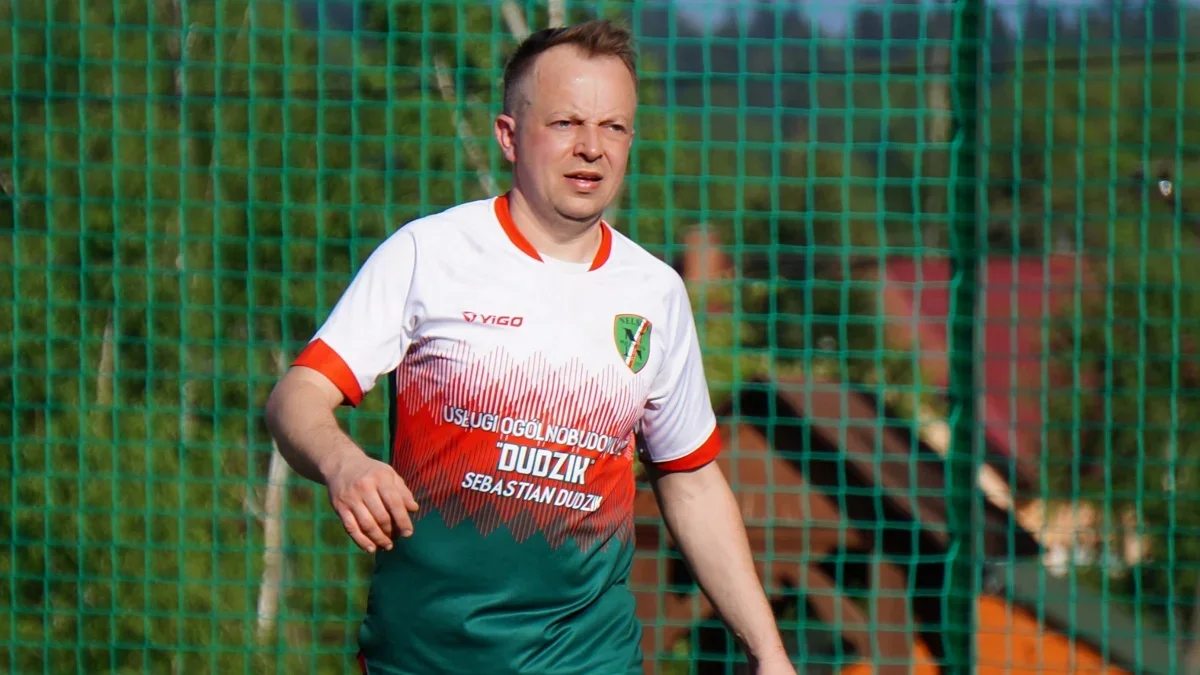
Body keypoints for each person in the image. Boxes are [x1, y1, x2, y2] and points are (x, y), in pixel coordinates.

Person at [264, 18, 796, 675]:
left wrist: (769, 652)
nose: (592, 148)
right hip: (425, 657)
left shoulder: (655, 293)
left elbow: (688, 479)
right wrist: (342, 462)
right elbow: (297, 395)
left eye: (613, 127)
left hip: (590, 659)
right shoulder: (430, 253)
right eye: (566, 123)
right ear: (509, 135)